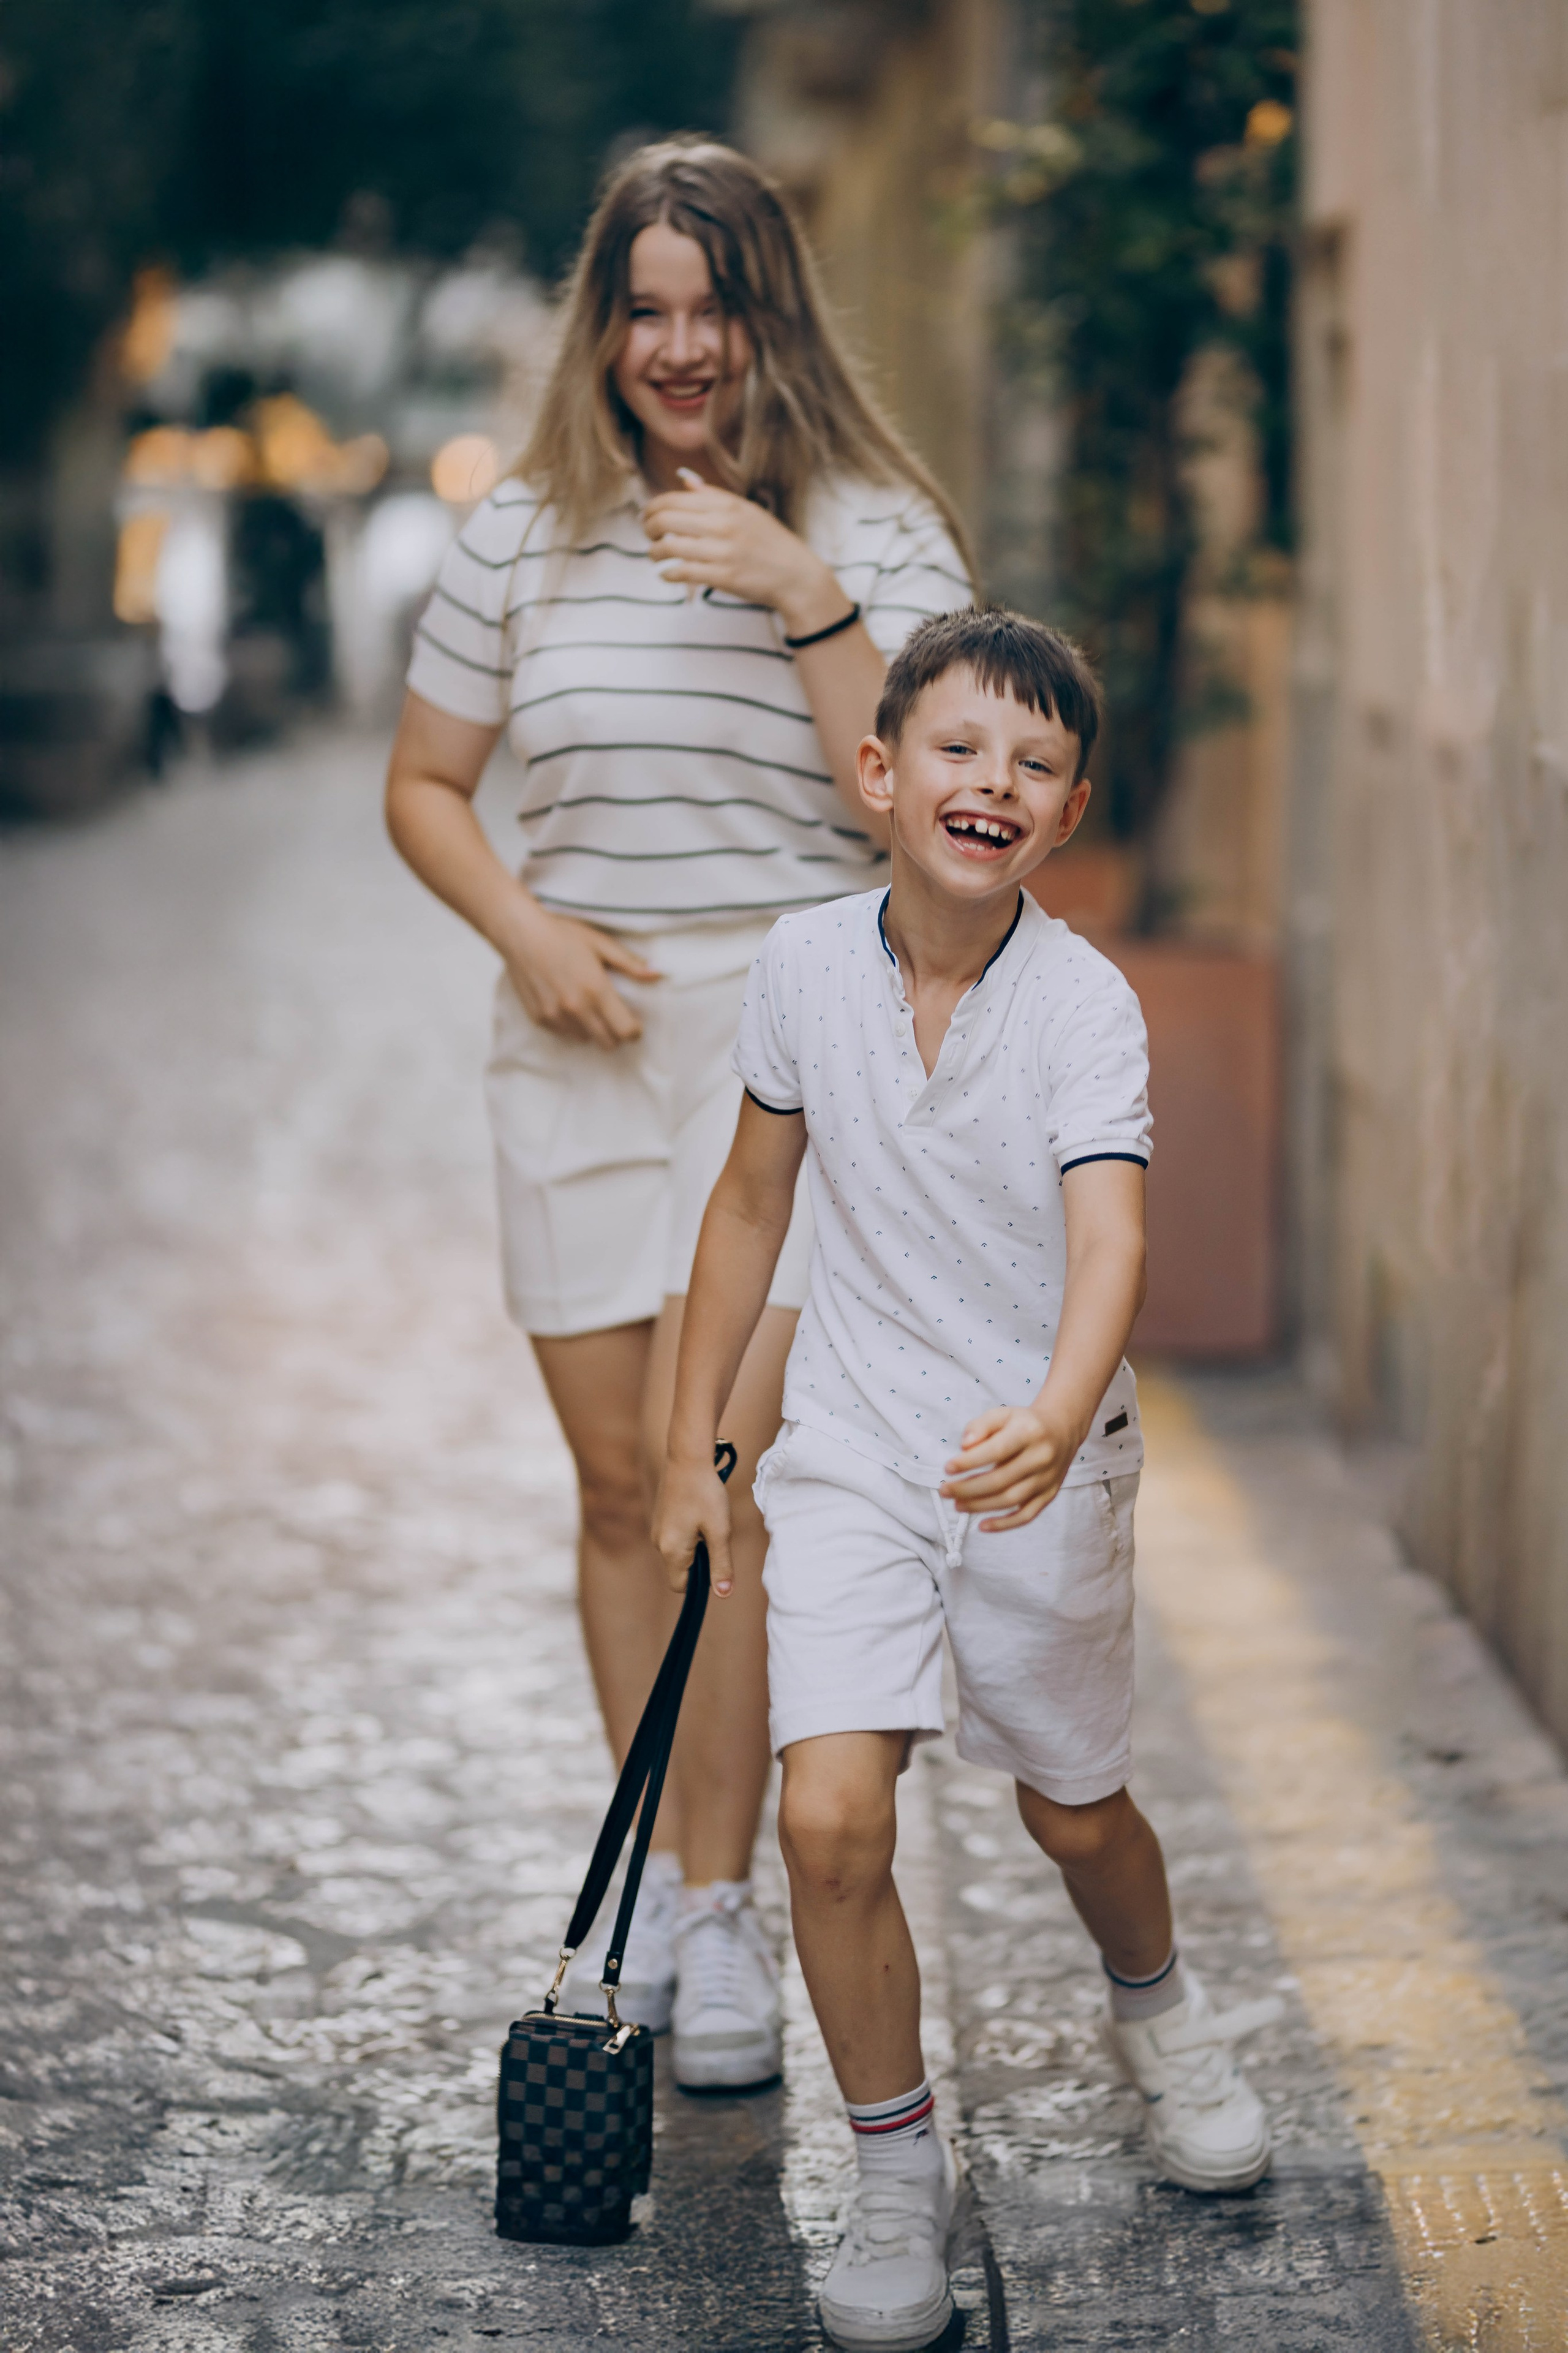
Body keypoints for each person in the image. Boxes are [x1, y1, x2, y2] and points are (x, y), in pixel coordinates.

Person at [384, 138, 972, 2093]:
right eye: (643, 306)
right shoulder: (523, 532)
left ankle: (716, 1915)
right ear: (603, 325)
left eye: (713, 302)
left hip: (779, 1050)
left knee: (719, 1495)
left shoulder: (879, 531)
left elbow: (928, 810)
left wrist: (808, 591)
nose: (679, 344)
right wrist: (525, 927)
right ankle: (649, 1888)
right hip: (572, 1035)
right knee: (624, 1499)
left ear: (770, 311)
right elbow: (427, 786)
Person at [654, 608, 1279, 2350]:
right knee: (830, 1814)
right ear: (880, 772)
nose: (990, 780)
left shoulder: (1086, 1007)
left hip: (1035, 1457)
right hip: (853, 1446)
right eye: (957, 748)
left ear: (1065, 814)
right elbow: (751, 1205)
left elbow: (1113, 1238)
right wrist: (698, 1442)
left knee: (1076, 1808)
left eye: (1034, 762)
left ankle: (1159, 2012)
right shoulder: (799, 968)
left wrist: (1060, 1413)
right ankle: (897, 2170)